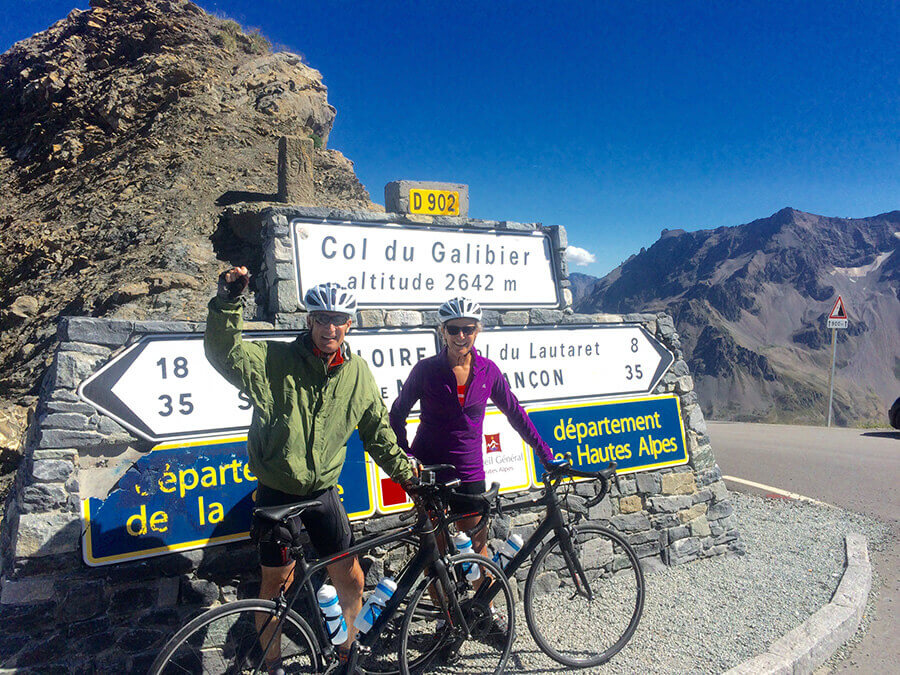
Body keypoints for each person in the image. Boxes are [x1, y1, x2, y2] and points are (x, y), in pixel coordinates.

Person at [205, 267, 415, 674]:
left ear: (349, 325)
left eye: (338, 320)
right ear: (309, 321)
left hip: (323, 494)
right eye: (322, 318)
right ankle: (274, 666)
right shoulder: (274, 359)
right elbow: (224, 353)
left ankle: (347, 653)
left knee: (351, 578)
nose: (329, 328)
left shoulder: (357, 374)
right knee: (275, 588)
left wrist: (407, 477)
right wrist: (229, 303)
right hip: (278, 493)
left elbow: (377, 433)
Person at [389, 297, 561, 561]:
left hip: (470, 472)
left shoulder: (487, 371)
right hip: (430, 473)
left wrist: (543, 451)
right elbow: (397, 414)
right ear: (442, 331)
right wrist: (407, 456)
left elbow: (515, 413)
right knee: (435, 554)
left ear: (477, 331)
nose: (461, 335)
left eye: (468, 329)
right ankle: (444, 605)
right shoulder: (426, 370)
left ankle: (484, 604)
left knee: (478, 551)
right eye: (453, 329)